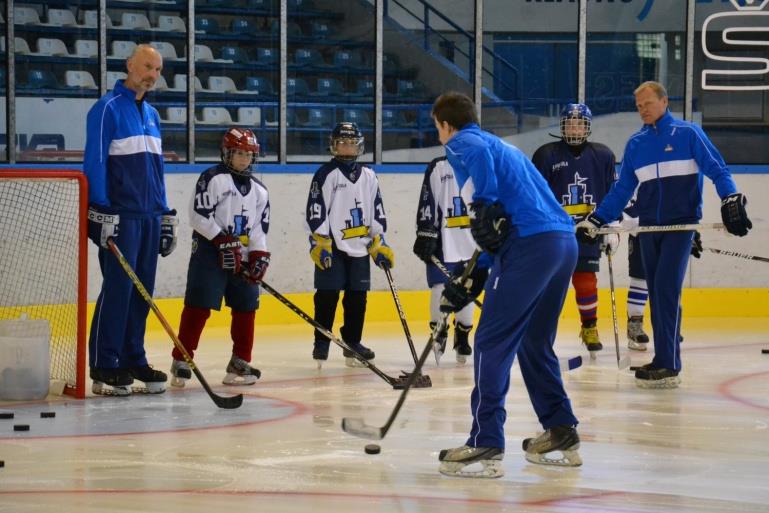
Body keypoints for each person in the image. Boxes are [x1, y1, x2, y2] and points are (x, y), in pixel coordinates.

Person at [432, 92, 582, 478]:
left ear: (446, 125)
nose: (440, 135)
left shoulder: (463, 142)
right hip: (561, 243)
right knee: (534, 340)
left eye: (438, 128)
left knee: (490, 341)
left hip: (531, 247)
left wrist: (483, 202)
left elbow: (490, 206)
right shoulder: (506, 148)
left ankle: (486, 441)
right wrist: (479, 269)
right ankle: (561, 429)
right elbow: (502, 228)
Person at [577, 81, 751, 389]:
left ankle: (670, 364)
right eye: (638, 106)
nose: (642, 109)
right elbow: (622, 190)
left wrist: (730, 197)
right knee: (656, 291)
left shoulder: (687, 134)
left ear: (664, 101)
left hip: (679, 227)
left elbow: (717, 169)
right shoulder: (636, 144)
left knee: (666, 291)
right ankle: (662, 359)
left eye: (647, 103)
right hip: (648, 228)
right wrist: (598, 219)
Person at [84, 44, 177, 396]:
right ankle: (105, 363)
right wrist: (100, 208)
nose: (152, 74)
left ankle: (133, 357)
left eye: (157, 70)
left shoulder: (152, 114)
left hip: (149, 216)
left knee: (143, 293)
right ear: (129, 65)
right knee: (119, 289)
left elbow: (157, 169)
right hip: (120, 216)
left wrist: (165, 213)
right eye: (147, 66)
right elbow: (95, 161)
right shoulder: (106, 109)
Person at [170, 128, 270, 387]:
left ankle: (240, 360)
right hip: (209, 252)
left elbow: (259, 228)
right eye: (238, 153)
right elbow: (198, 215)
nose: (243, 159)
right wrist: (222, 240)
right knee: (199, 304)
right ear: (226, 153)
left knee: (247, 306)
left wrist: (259, 254)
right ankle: (182, 357)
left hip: (242, 254)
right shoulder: (212, 178)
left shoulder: (260, 190)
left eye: (248, 154)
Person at [305, 121, 394, 368]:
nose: (347, 148)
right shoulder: (326, 174)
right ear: (334, 146)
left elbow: (377, 210)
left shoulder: (369, 176)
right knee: (327, 295)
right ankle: (321, 341)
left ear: (359, 146)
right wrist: (320, 241)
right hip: (332, 245)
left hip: (360, 246)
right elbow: (316, 210)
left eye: (352, 143)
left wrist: (379, 242)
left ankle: (353, 342)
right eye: (343, 143)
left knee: (358, 297)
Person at [532, 103, 618, 358]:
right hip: (555, 232)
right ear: (562, 125)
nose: (574, 127)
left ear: (587, 127)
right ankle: (543, 333)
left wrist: (611, 227)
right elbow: (535, 194)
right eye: (570, 123)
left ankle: (589, 328)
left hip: (588, 230)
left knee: (585, 282)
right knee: (549, 286)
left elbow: (613, 193)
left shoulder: (603, 156)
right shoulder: (546, 155)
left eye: (579, 123)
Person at [412, 156, 478, 364]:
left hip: (473, 240)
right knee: (440, 288)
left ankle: (463, 334)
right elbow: (428, 200)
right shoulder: (439, 166)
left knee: (468, 288)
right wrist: (426, 232)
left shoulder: (483, 162)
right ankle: (439, 331)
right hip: (444, 241)